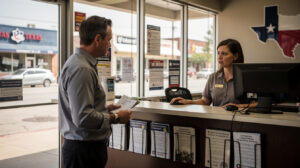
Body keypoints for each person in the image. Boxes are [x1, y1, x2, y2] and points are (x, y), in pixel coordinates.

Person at [59, 16, 132, 168]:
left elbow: (82, 108)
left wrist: (104, 109)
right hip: (83, 151)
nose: (109, 45)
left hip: (85, 149)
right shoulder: (82, 69)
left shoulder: (81, 63)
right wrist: (116, 117)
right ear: (98, 39)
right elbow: (83, 117)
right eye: (109, 40)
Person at [170, 39, 256, 108]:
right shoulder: (213, 77)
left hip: (240, 121)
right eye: (218, 53)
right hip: (216, 121)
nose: (219, 57)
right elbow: (205, 101)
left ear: (235, 56)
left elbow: (259, 103)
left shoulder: (247, 78)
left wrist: (239, 106)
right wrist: (188, 101)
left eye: (224, 54)